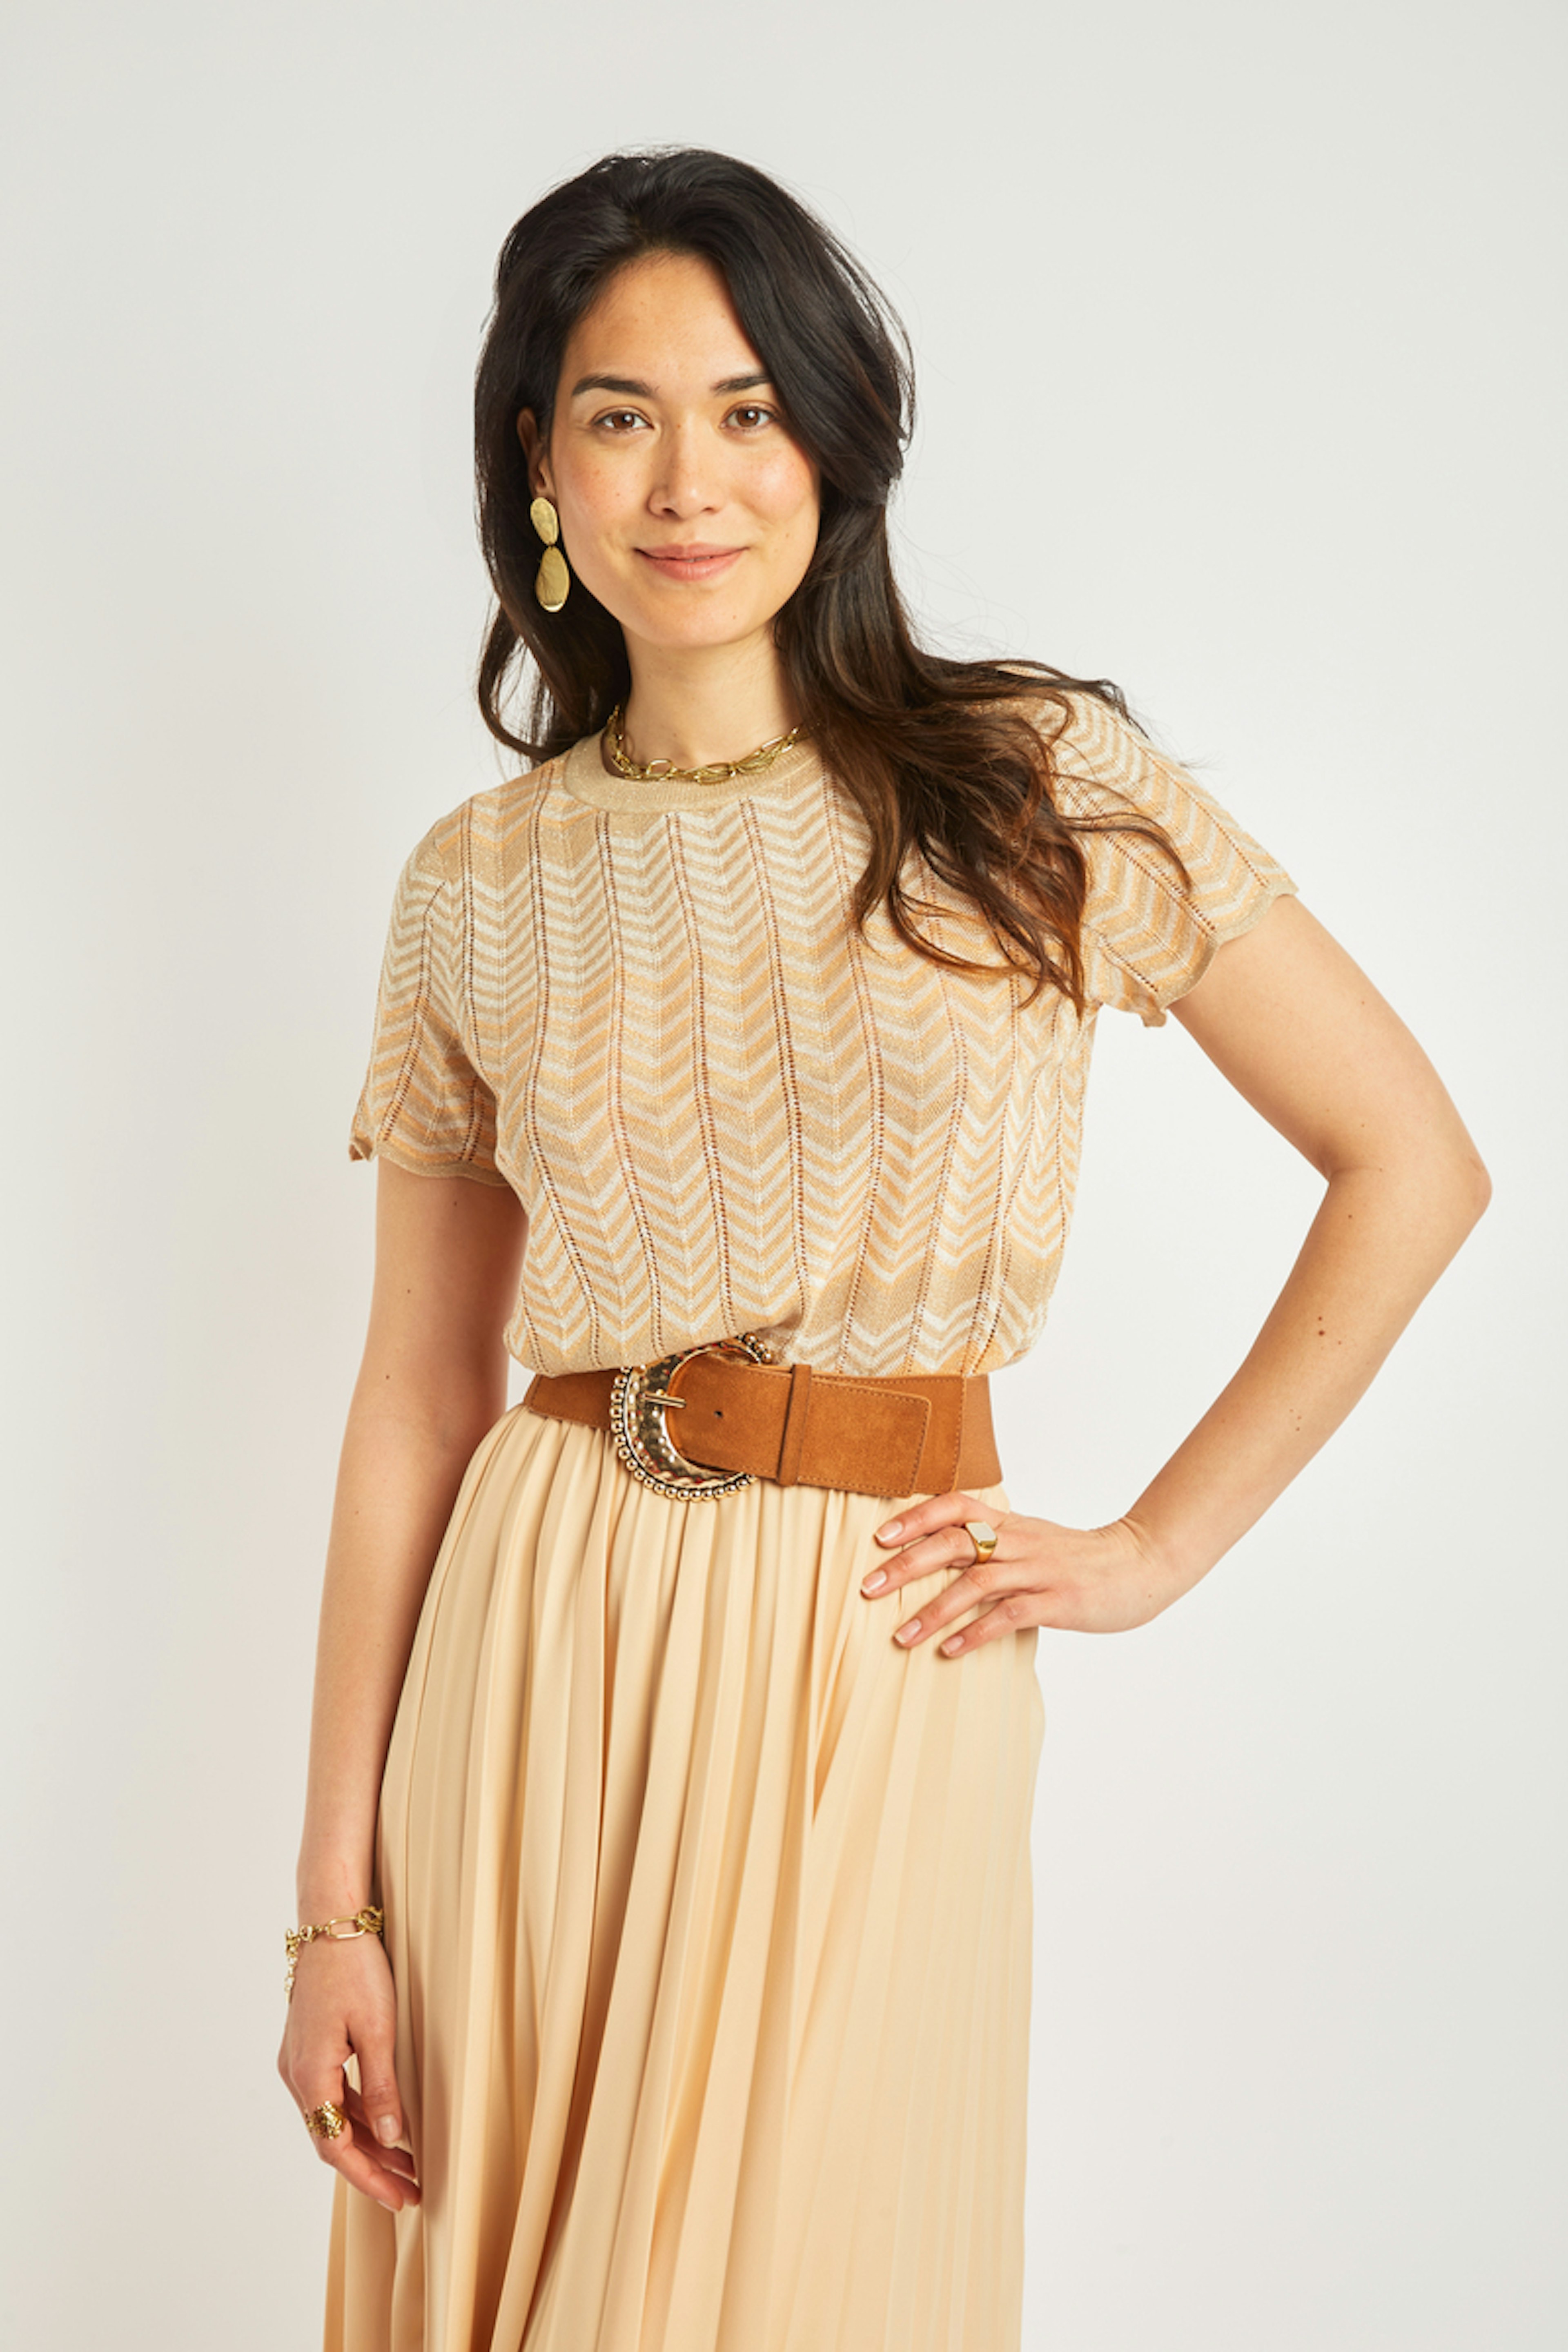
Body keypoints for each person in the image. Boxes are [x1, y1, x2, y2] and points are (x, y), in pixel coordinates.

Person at [277, 147, 1490, 2352]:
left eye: (749, 409)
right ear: (539, 461)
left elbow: (1411, 1160)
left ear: (833, 440)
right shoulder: (476, 882)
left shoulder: (1035, 784)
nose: (690, 480)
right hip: (535, 1651)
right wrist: (330, 1909)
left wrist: (1155, 1548)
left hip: (879, 1643)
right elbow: (415, 1398)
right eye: (622, 414)